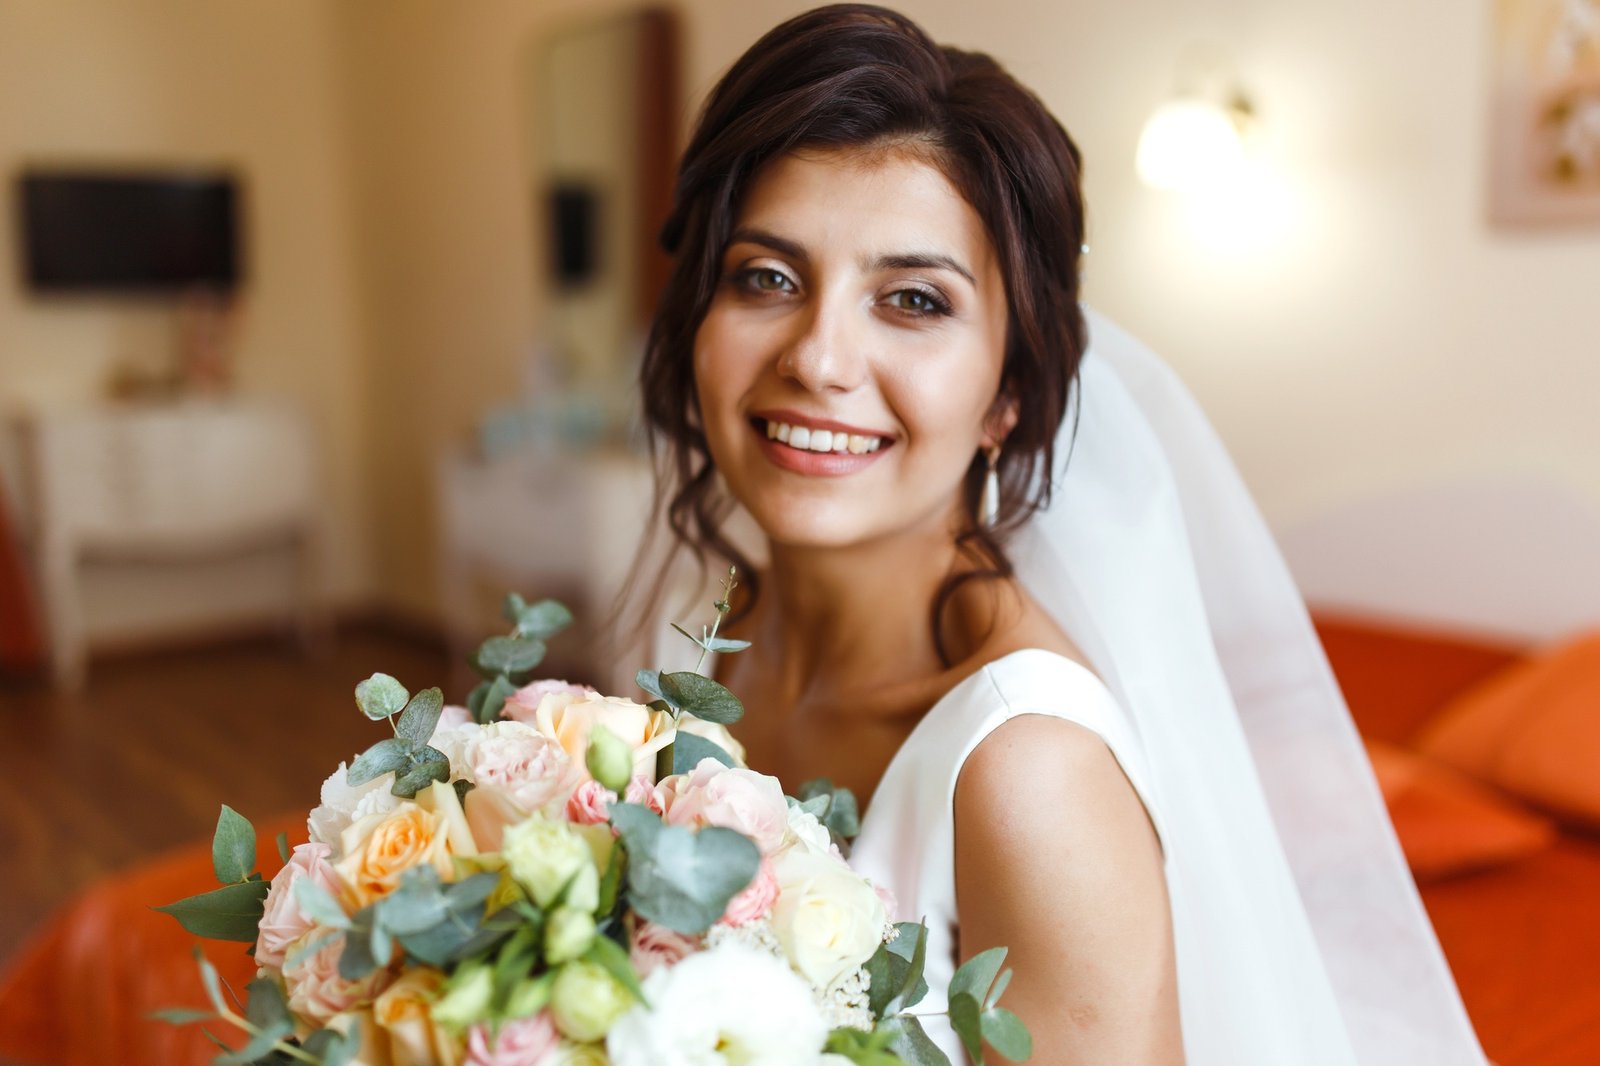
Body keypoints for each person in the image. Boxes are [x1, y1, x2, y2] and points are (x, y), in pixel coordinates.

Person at [623, 5, 1488, 1063]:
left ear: (1009, 399)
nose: (819, 358)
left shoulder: (1030, 773)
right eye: (767, 277)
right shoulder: (706, 631)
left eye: (911, 299)